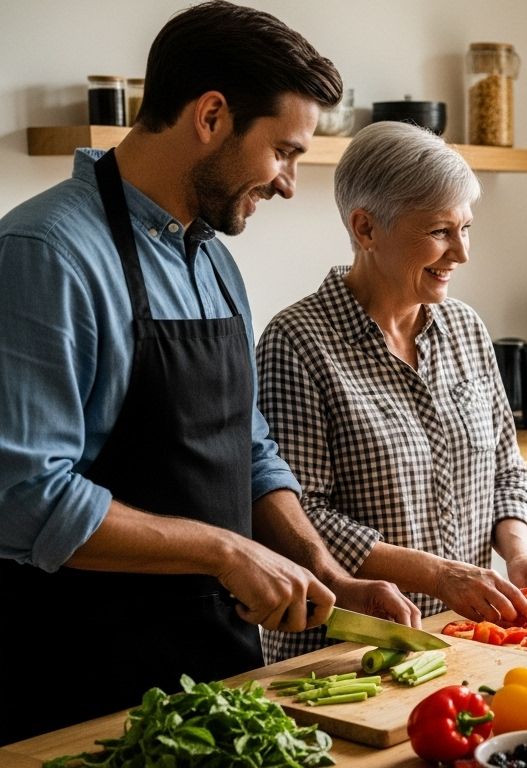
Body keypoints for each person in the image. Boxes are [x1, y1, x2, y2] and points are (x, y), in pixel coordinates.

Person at [0, 1, 420, 742]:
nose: (291, 182)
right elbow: (25, 498)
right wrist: (225, 551)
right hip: (82, 685)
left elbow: (247, 452)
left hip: (214, 677)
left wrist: (332, 575)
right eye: (284, 151)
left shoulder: (216, 261)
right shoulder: (46, 252)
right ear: (212, 115)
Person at [256, 121, 527, 661]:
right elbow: (300, 516)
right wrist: (436, 574)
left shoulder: (466, 329)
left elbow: (506, 471)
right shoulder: (298, 341)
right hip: (348, 647)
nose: (461, 253)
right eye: (439, 232)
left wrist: (518, 552)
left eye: (466, 228)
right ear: (366, 228)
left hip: (460, 636)